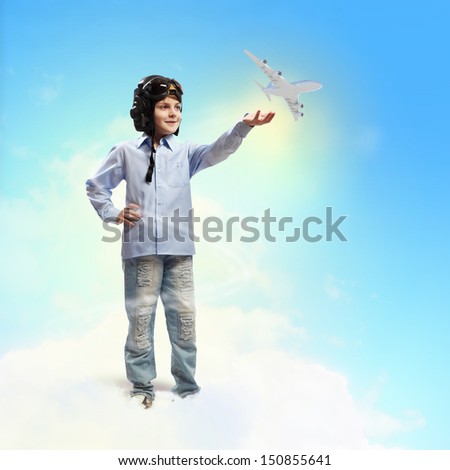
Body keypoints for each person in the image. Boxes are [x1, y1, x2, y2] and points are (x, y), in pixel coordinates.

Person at [86, 75, 275, 409]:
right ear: (146, 111)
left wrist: (242, 127)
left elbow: (220, 151)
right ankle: (142, 388)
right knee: (141, 320)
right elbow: (96, 186)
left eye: (177, 107)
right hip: (141, 252)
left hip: (180, 253)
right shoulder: (126, 152)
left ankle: (187, 389)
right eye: (164, 107)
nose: (173, 113)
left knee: (184, 321)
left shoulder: (187, 153)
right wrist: (113, 213)